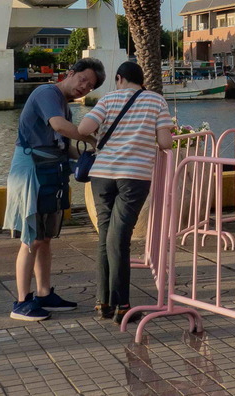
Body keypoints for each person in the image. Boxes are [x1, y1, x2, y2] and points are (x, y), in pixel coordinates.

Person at [2, 57, 105, 322]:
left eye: (91, 86)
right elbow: (60, 127)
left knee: (45, 239)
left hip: (50, 171)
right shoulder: (47, 92)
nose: (85, 87)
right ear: (70, 73)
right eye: (83, 79)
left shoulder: (64, 105)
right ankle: (22, 302)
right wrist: (94, 139)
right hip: (32, 172)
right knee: (31, 238)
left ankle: (44, 294)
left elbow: (62, 144)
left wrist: (91, 154)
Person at [79, 61, 174, 322]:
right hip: (134, 177)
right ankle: (122, 305)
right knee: (119, 238)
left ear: (119, 78)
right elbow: (165, 142)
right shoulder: (155, 101)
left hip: (102, 175)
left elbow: (84, 129)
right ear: (142, 81)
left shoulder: (108, 99)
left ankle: (103, 303)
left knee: (105, 235)